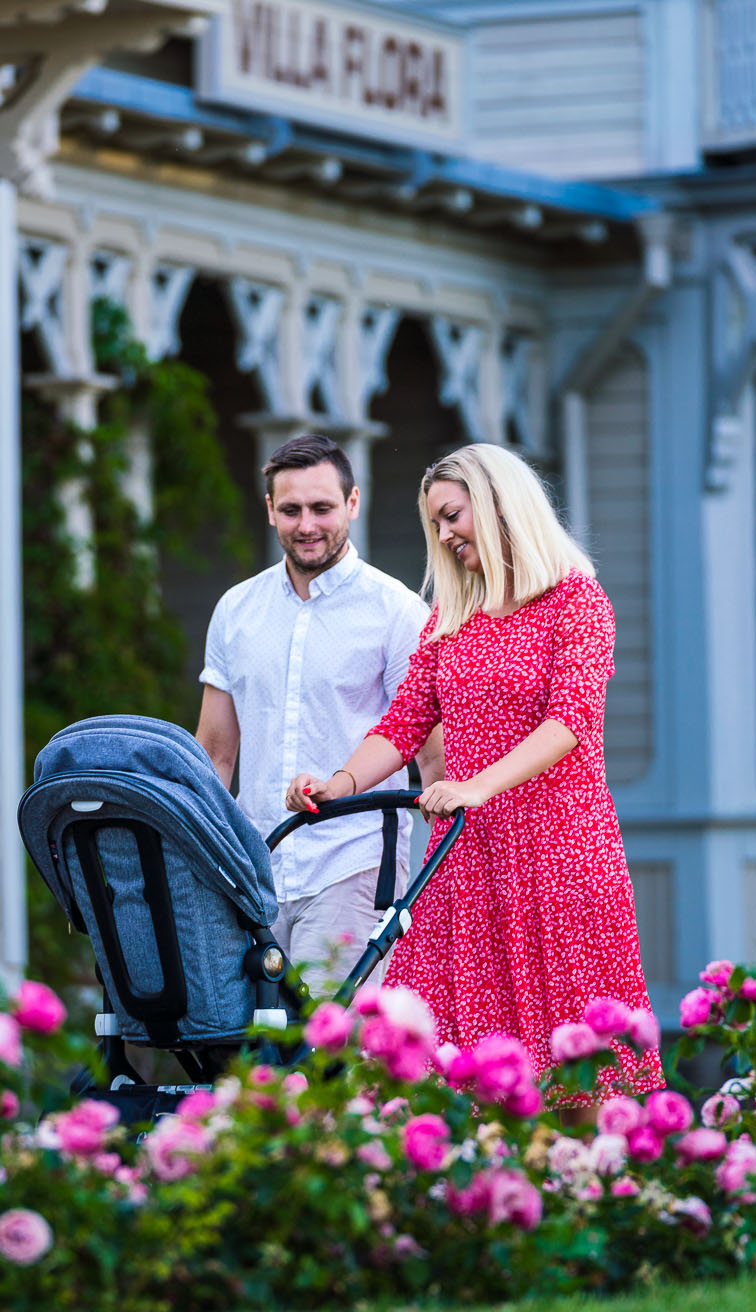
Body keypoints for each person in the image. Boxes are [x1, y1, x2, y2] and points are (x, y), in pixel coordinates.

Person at [285, 442, 661, 1100]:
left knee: (576, 1076)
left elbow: (569, 723)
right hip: (464, 863)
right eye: (435, 523)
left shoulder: (576, 600)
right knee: (444, 1071)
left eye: (452, 516)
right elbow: (404, 722)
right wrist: (337, 784)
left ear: (499, 505)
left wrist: (476, 785)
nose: (444, 535)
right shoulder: (452, 617)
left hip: (558, 857)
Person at [196, 434, 443, 995]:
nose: (306, 525)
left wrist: (447, 876)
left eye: (322, 507)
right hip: (252, 871)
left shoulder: (398, 611)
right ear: (270, 510)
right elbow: (214, 753)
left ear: (353, 503)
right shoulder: (236, 610)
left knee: (331, 1039)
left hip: (351, 864)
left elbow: (431, 756)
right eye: (291, 510)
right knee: (253, 1039)